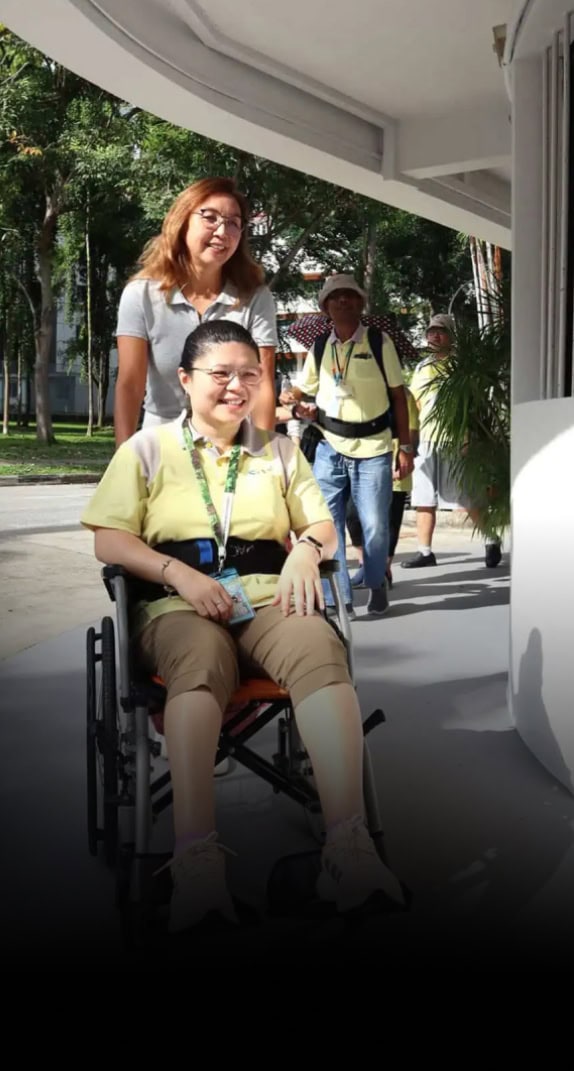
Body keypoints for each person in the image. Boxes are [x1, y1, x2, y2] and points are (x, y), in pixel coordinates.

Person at [81, 320, 405, 933]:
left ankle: (348, 847)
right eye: (221, 374)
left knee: (318, 648)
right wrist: (177, 574)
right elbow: (109, 539)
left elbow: (323, 525)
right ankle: (195, 861)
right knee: (198, 664)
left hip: (268, 599)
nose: (237, 386)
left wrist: (308, 549)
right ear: (185, 380)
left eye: (249, 374)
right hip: (179, 605)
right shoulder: (146, 451)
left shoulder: (279, 450)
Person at [283, 273, 413, 618]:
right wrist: (293, 397)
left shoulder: (378, 341)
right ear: (325, 307)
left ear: (361, 303)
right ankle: (338, 597)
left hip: (374, 448)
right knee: (327, 524)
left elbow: (399, 397)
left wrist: (405, 448)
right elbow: (305, 387)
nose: (343, 302)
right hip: (330, 445)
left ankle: (375, 582)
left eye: (350, 296)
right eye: (335, 297)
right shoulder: (321, 346)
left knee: (374, 524)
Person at [114, 176, 278, 446]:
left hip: (233, 446)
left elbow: (262, 385)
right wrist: (124, 460)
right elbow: (130, 384)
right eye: (210, 217)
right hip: (161, 443)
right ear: (182, 221)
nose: (222, 232)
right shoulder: (140, 294)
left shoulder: (256, 298)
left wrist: (265, 460)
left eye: (234, 223)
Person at [401, 313, 502, 569]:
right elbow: (415, 403)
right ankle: (425, 552)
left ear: (451, 336)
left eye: (441, 331)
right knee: (423, 498)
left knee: (469, 497)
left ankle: (491, 540)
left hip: (456, 439)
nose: (435, 335)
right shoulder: (422, 367)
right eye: (431, 331)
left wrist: (470, 438)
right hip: (425, 440)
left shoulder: (461, 366)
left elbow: (473, 406)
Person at [349, 385, 420, 596]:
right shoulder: (362, 388)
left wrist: (406, 456)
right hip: (362, 461)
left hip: (394, 463)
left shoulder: (404, 395)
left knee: (388, 522)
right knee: (352, 516)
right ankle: (365, 563)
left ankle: (384, 568)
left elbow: (413, 430)